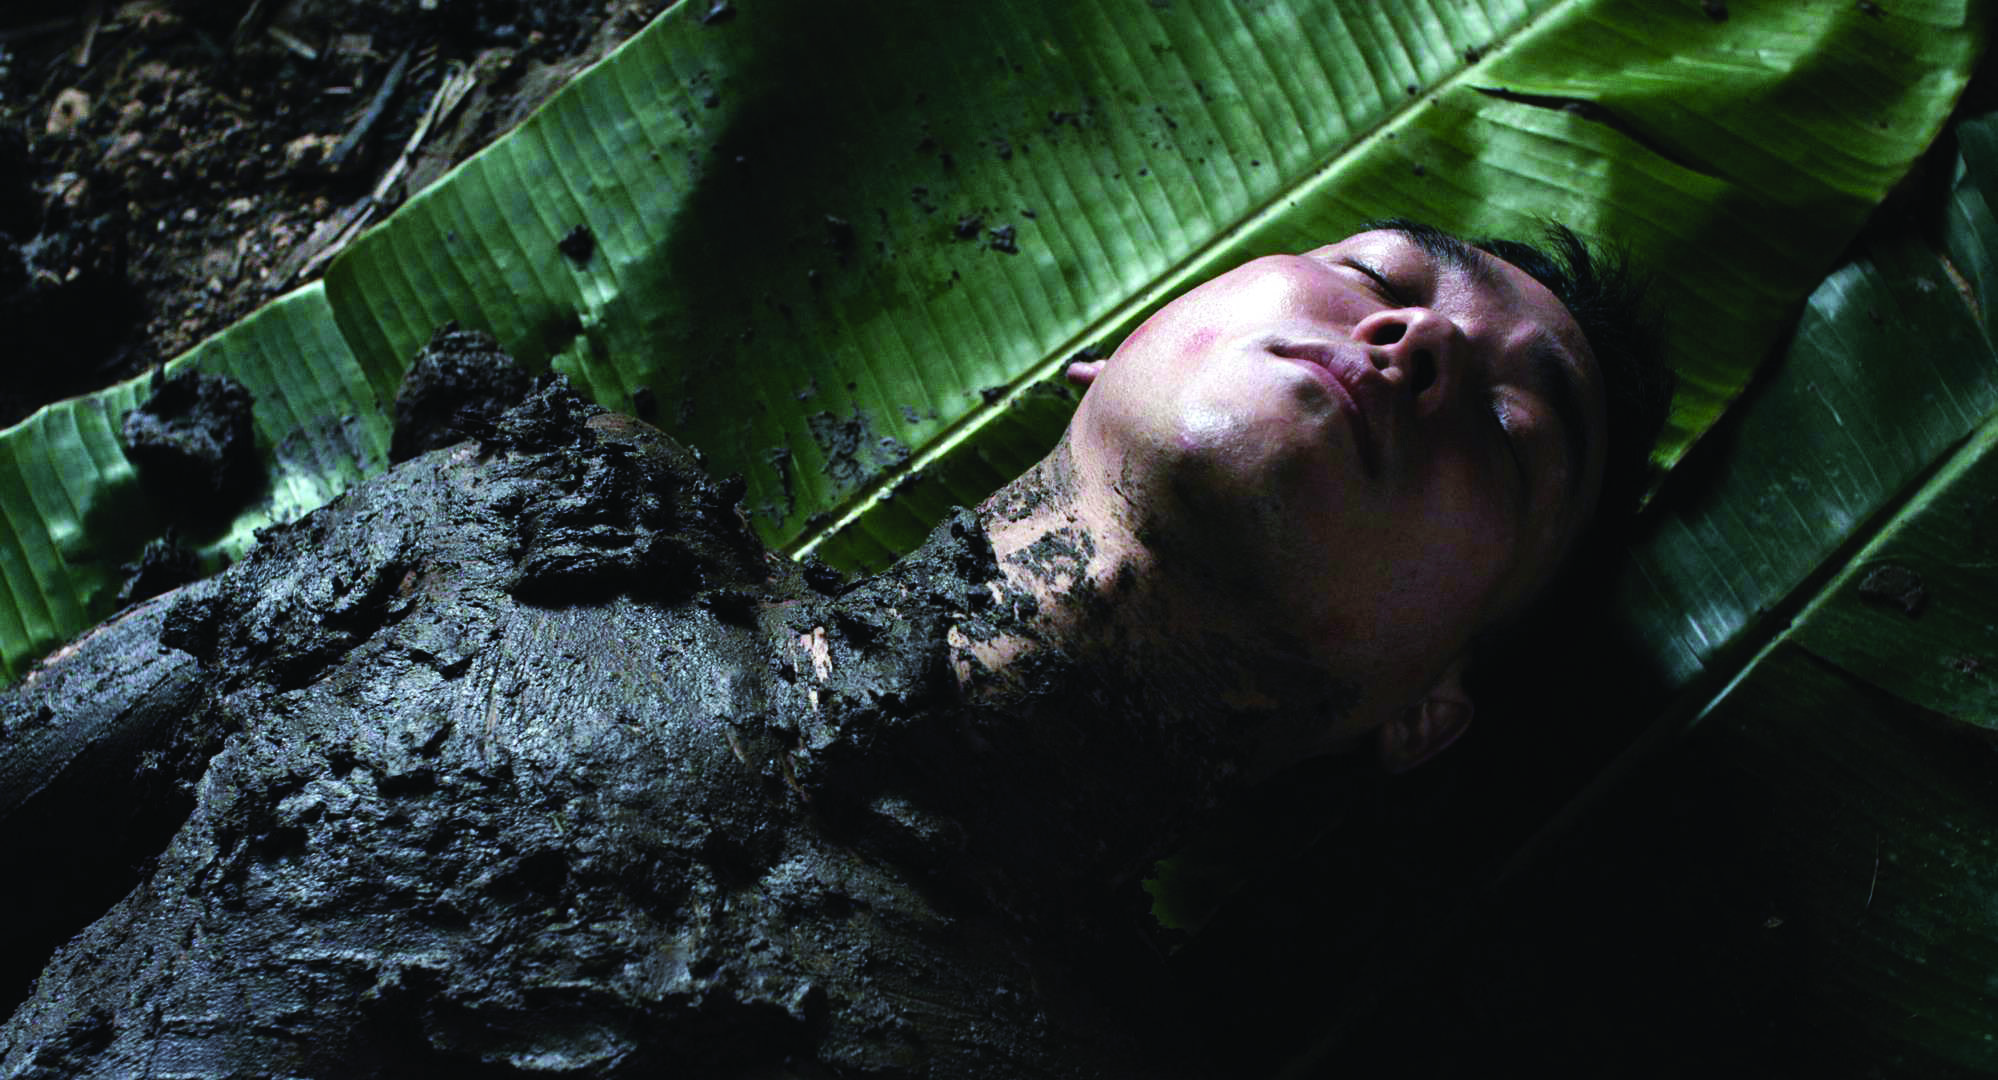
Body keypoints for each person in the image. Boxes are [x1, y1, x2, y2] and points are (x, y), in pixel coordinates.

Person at [0, 221, 1668, 1078]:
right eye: (1374, 271)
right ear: (1105, 353)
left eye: (1512, 432)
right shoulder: (534, 519)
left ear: (1429, 710)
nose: (1413, 339)